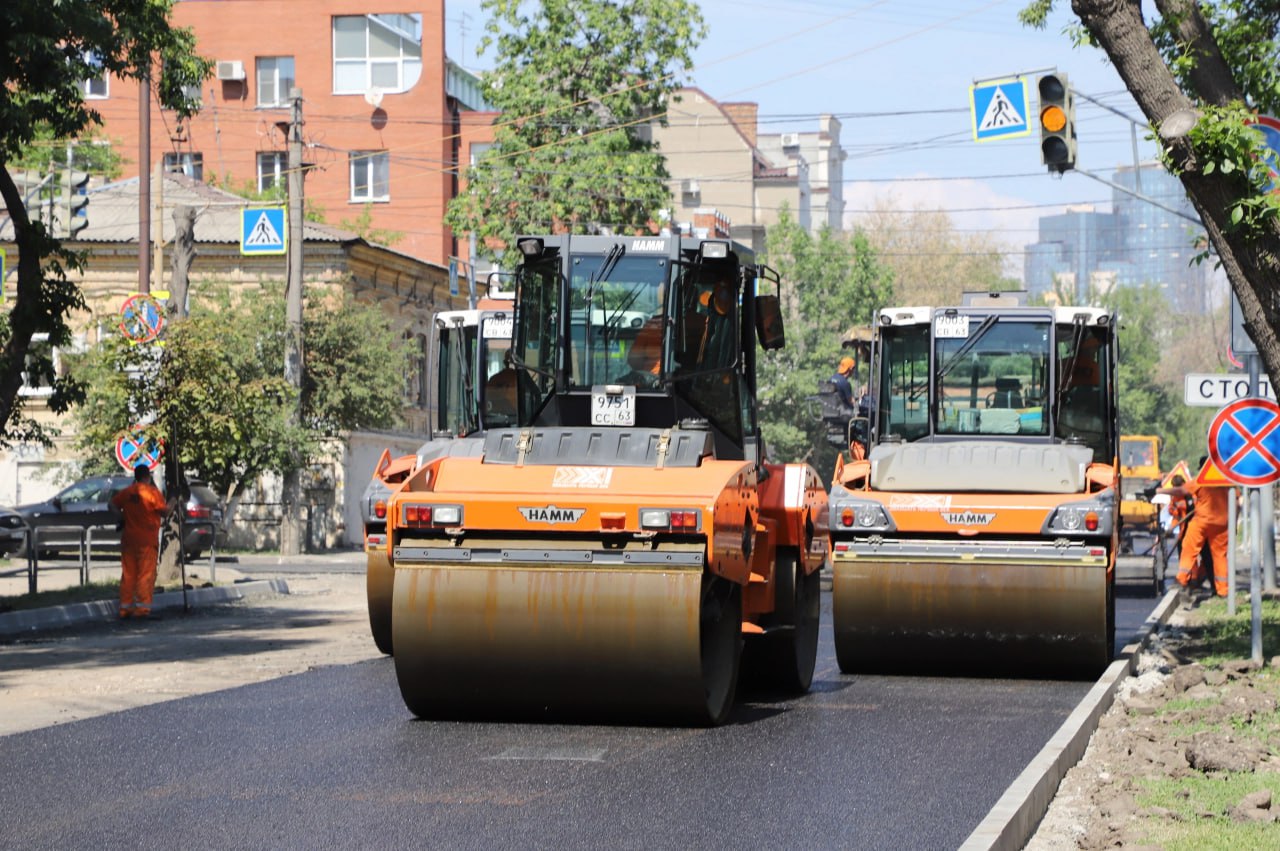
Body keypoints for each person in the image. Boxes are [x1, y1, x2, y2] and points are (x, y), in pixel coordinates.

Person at [1158, 458, 1231, 598]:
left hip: (1202, 521)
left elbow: (1182, 491)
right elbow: (1237, 501)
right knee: (1219, 556)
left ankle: (1182, 580)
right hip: (1222, 523)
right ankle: (1223, 591)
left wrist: (1159, 490)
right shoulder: (1225, 481)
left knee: (1189, 548)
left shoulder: (1201, 481)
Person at [110, 463, 173, 619]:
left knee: (129, 575)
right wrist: (173, 500)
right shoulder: (152, 493)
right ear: (148, 476)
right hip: (146, 540)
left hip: (129, 540)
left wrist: (121, 517)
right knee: (145, 575)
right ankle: (142, 609)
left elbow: (111, 504)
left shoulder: (127, 492)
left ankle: (125, 608)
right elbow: (165, 512)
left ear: (136, 476)